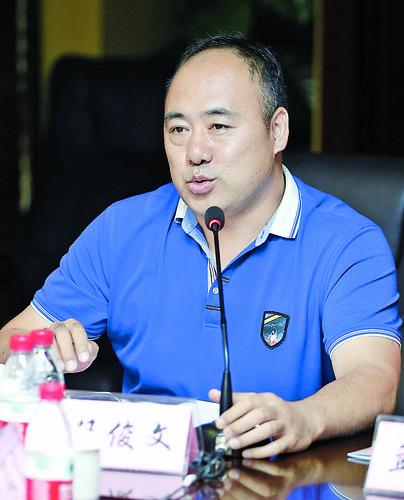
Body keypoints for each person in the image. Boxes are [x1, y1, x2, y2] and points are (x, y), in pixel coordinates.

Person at [0, 34, 401, 459]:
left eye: (218, 127)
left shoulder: (346, 242)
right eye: (178, 129)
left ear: (277, 130)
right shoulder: (123, 228)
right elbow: (12, 338)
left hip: (281, 474)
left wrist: (303, 417)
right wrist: (39, 352)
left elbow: (374, 379)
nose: (194, 152)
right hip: (146, 468)